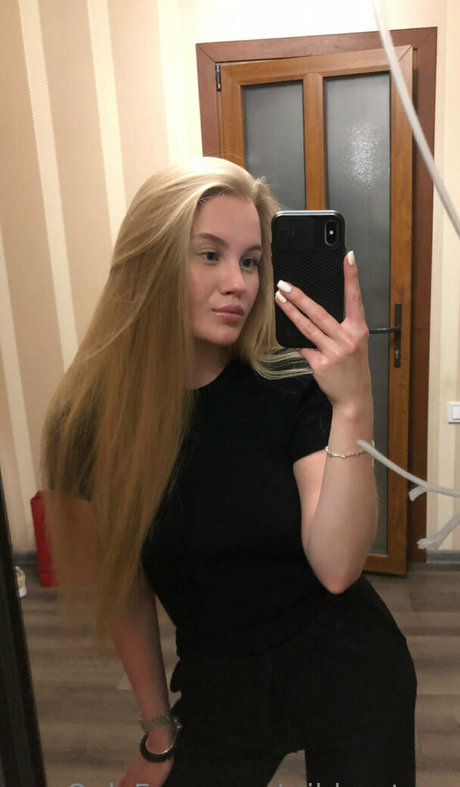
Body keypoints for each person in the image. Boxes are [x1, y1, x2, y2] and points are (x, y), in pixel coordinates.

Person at [42, 157, 416, 787]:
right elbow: (125, 589)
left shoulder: (289, 382)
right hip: (220, 684)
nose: (237, 283)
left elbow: (337, 567)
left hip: (349, 668)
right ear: (149, 262)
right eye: (209, 255)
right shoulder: (87, 422)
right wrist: (158, 733)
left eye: (251, 261)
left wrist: (354, 405)